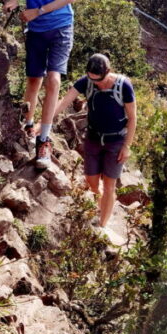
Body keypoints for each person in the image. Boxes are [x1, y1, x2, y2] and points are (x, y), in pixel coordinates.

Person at [3, 0, 76, 169]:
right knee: (34, 79)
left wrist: (38, 10)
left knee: (53, 80)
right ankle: (27, 123)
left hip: (60, 26)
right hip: (35, 28)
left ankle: (44, 141)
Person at [53, 53, 136, 243]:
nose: (95, 83)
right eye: (91, 79)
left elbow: (132, 117)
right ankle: (100, 204)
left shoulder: (123, 86)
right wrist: (45, 122)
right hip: (93, 138)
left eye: (98, 80)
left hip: (116, 142)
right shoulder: (86, 82)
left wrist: (127, 146)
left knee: (109, 185)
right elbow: (64, 102)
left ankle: (102, 225)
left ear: (108, 71)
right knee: (91, 181)